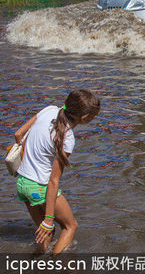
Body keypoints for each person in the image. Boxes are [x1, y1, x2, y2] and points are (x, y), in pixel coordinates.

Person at [14, 89, 101, 254]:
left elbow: (18, 134)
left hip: (22, 183)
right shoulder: (67, 138)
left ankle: (36, 264)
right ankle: (57, 265)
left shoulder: (49, 109)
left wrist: (30, 161)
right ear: (85, 118)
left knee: (46, 233)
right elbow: (53, 180)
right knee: (70, 226)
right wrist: (48, 219)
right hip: (39, 187)